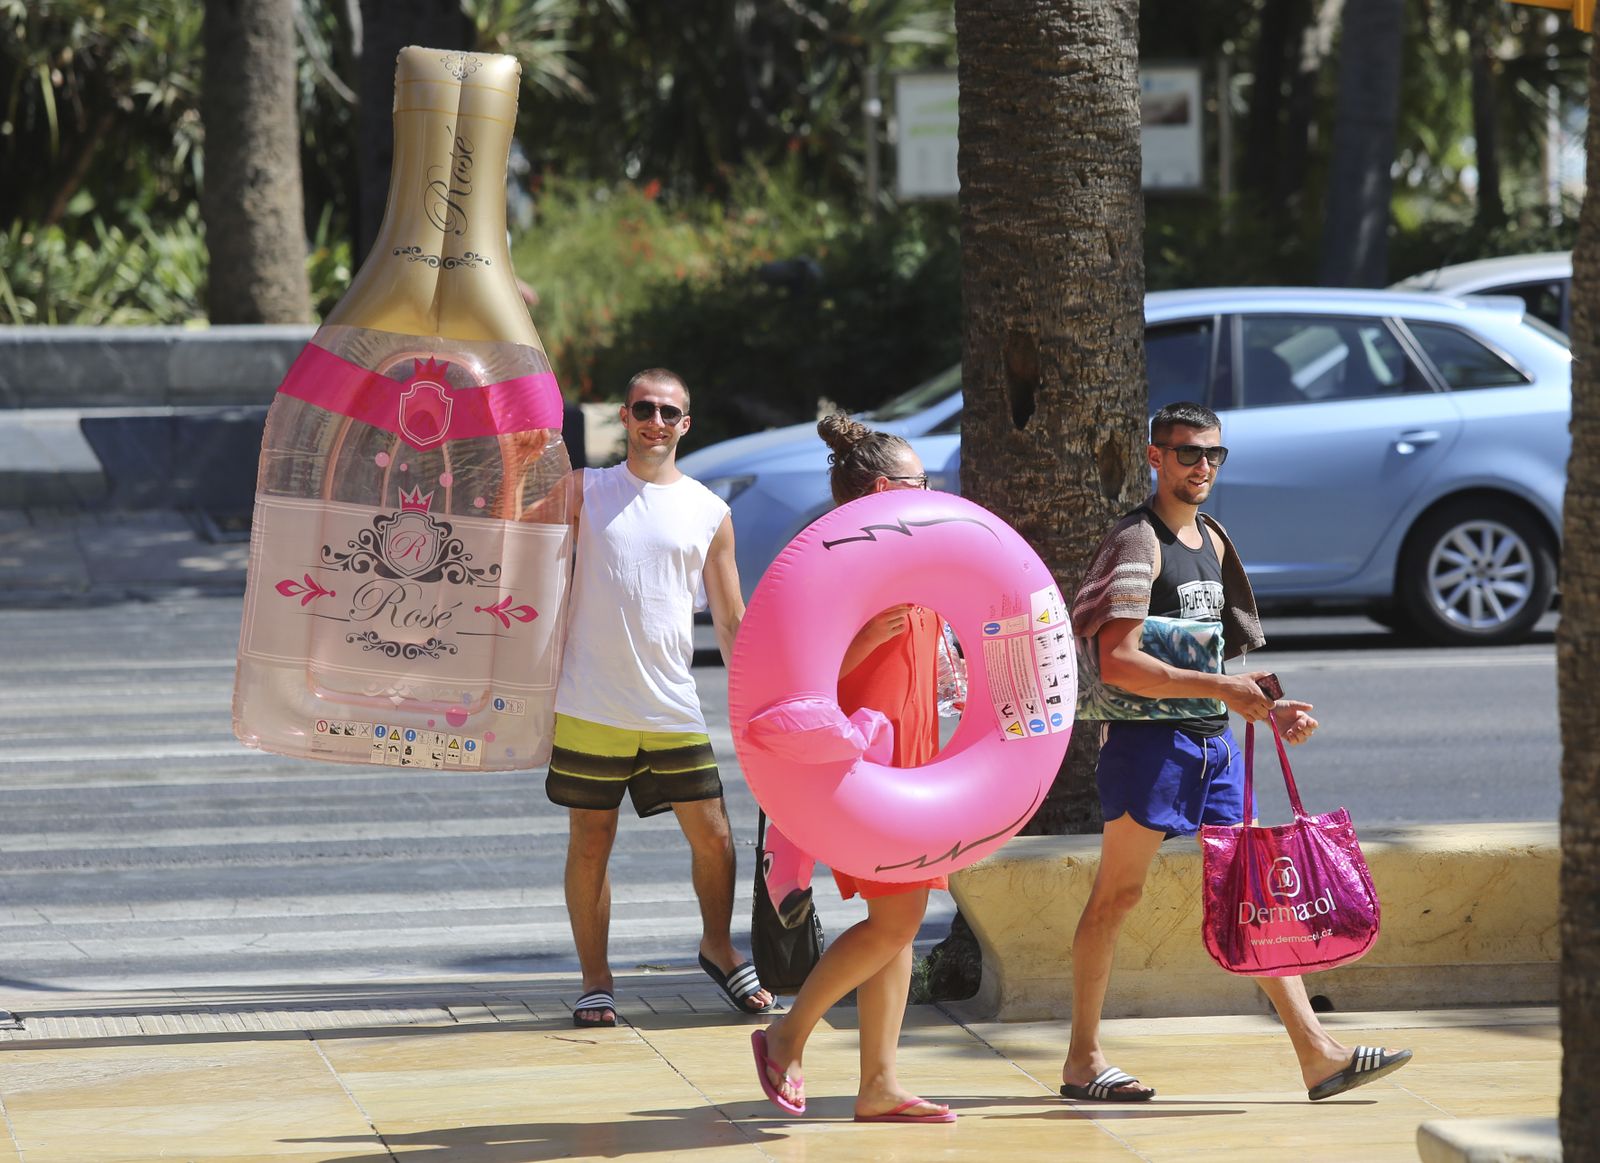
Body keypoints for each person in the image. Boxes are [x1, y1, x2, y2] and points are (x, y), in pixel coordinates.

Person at [1062, 400, 1412, 1103]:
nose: (1202, 466)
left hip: (1213, 745)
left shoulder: (1213, 541)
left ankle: (1318, 1054)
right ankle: (1082, 1060)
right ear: (1155, 457)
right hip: (1149, 746)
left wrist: (1266, 706)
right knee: (1118, 895)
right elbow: (1119, 661)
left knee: (1257, 891)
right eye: (1187, 453)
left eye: (1213, 455)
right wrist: (1222, 686)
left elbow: (1208, 654)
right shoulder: (1138, 542)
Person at [545, 368, 773, 1028]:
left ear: (685, 424)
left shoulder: (709, 511)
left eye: (669, 412)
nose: (656, 421)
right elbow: (518, 552)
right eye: (644, 408)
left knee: (715, 836)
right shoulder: (583, 490)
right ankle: (596, 980)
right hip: (589, 701)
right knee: (591, 840)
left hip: (672, 703)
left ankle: (719, 946)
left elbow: (731, 620)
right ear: (624, 415)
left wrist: (765, 700)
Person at [751, 412, 956, 1124]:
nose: (930, 494)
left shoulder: (913, 563)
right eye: (919, 484)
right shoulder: (837, 563)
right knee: (898, 920)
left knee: (896, 925)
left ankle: (880, 1083)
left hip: (915, 768)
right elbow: (792, 684)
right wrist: (862, 639)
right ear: (881, 490)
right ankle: (786, 1034)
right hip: (867, 772)